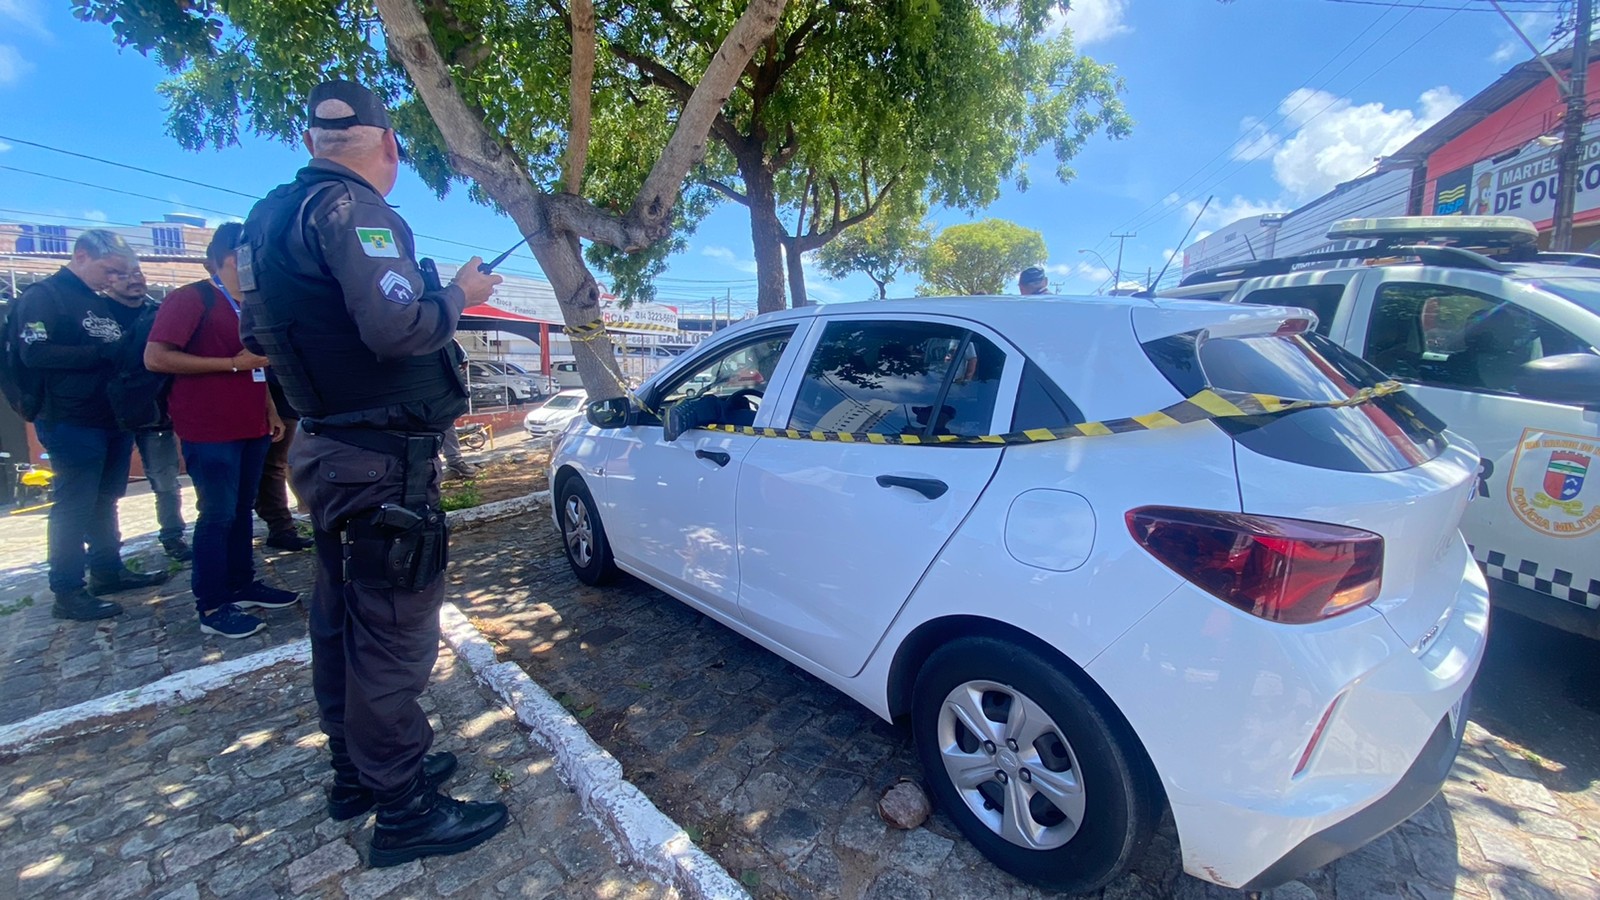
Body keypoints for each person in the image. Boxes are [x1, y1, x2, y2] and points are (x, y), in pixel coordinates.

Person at [237, 79, 507, 868]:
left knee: (342, 621)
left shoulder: (267, 218)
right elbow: (400, 328)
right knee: (392, 637)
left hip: (326, 451)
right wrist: (459, 292)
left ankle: (357, 773)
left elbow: (261, 330)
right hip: (381, 465)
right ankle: (406, 810)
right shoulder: (354, 210)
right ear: (387, 146)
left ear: (311, 140)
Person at [145, 224, 300, 638]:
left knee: (241, 508)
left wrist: (269, 409)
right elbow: (156, 357)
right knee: (216, 514)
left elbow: (255, 364)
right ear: (234, 258)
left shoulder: (247, 304)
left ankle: (242, 582)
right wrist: (230, 364)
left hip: (250, 423)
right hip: (209, 429)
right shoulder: (190, 298)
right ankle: (212, 604)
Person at [14, 230, 168, 621]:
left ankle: (107, 570)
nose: (114, 278)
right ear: (82, 255)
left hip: (110, 415)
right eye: (110, 270)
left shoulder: (95, 301)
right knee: (74, 505)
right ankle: (67, 591)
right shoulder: (44, 297)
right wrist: (102, 353)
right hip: (70, 419)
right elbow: (34, 353)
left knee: (106, 499)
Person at [104, 262, 192, 562]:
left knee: (166, 477)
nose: (134, 280)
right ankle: (106, 553)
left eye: (138, 274)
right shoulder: (96, 313)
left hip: (154, 410)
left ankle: (172, 536)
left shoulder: (159, 312)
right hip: (106, 412)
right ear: (107, 279)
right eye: (123, 274)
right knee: (109, 487)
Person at [256, 370, 314, 551]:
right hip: (273, 402)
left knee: (277, 466)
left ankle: (282, 528)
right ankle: (282, 527)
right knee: (274, 468)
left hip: (287, 404)